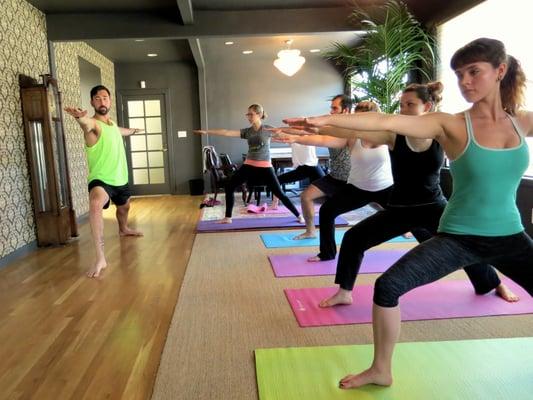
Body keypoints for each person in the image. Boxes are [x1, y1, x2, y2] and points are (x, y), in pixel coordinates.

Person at [286, 38, 533, 389]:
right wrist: (321, 120)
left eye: (474, 72)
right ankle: (380, 369)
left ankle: (491, 283)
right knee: (388, 286)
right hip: (458, 236)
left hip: (510, 237)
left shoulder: (521, 121)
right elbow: (383, 121)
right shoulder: (449, 124)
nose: (465, 82)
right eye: (460, 74)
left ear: (501, 71)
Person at [284, 82, 517, 308]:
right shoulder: (394, 135)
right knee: (354, 238)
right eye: (402, 104)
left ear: (427, 107)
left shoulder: (442, 135)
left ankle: (492, 283)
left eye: (410, 104)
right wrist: (310, 127)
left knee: (466, 242)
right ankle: (344, 292)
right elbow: (355, 128)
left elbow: (476, 139)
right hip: (400, 208)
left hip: (433, 206)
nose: (403, 110)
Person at [274, 101, 394, 262]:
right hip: (357, 188)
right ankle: (327, 253)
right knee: (327, 211)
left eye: (362, 118)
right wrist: (295, 137)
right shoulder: (352, 137)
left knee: (410, 215)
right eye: (356, 118)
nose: (358, 122)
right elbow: (322, 139)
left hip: (385, 188)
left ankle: (431, 245)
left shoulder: (388, 136)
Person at [64, 85, 143, 278]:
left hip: (120, 178)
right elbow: (86, 124)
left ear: (110, 101)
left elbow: (120, 131)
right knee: (96, 203)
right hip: (101, 179)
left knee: (124, 208)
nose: (102, 101)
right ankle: (100, 257)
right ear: (92, 102)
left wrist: (135, 130)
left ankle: (123, 229)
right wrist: (79, 117)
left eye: (105, 97)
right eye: (97, 98)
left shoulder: (112, 125)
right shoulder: (93, 124)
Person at [194, 104, 303, 224]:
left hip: (265, 166)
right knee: (230, 186)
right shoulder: (247, 131)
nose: (248, 117)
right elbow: (226, 132)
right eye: (248, 114)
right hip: (249, 165)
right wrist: (206, 132)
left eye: (251, 114)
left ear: (260, 114)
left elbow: (286, 135)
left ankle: (299, 216)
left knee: (279, 193)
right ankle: (228, 217)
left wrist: (303, 133)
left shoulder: (268, 129)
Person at [291, 94, 353, 239]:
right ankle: (310, 231)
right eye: (331, 107)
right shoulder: (330, 126)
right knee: (306, 196)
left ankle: (405, 226)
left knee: (378, 202)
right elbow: (307, 130)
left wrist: (297, 137)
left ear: (345, 110)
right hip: (335, 176)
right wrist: (283, 131)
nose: (331, 111)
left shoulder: (352, 128)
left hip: (353, 179)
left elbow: (321, 138)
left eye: (334, 108)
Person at [270, 142, 324, 209]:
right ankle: (274, 204)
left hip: (313, 166)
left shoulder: (308, 136)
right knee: (277, 180)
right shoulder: (293, 139)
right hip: (304, 168)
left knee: (327, 190)